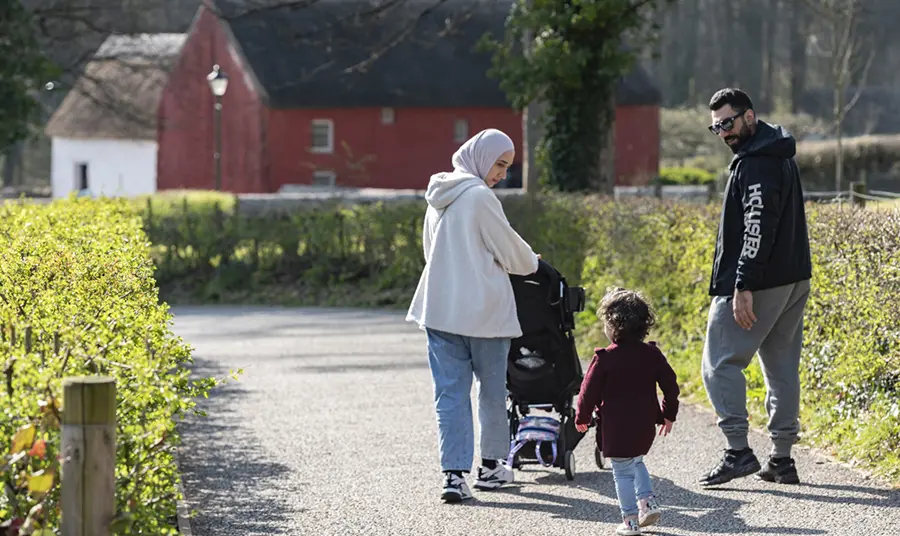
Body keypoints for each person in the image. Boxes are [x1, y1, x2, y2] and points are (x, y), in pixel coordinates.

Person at [406, 128, 540, 503]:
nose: (501, 173)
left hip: (440, 311)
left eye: (507, 166)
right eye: (499, 163)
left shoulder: (438, 196)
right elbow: (514, 254)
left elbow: (430, 254)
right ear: (482, 158)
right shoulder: (480, 198)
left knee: (449, 396)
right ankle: (492, 466)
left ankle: (453, 476)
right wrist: (534, 262)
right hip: (484, 314)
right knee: (492, 393)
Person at [700, 88, 813, 487]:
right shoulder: (776, 153)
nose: (723, 133)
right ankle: (782, 460)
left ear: (750, 116)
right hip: (794, 276)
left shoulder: (758, 163)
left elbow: (757, 226)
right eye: (716, 127)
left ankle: (738, 451)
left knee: (719, 363)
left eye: (728, 123)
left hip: (761, 280)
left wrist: (742, 282)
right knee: (781, 367)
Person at [574, 287, 680, 536]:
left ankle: (630, 520)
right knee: (637, 460)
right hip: (644, 425)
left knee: (621, 471)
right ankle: (647, 501)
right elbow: (670, 385)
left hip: (616, 426)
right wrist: (668, 413)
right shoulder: (652, 354)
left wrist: (582, 417)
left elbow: (587, 392)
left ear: (613, 325)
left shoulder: (604, 359)